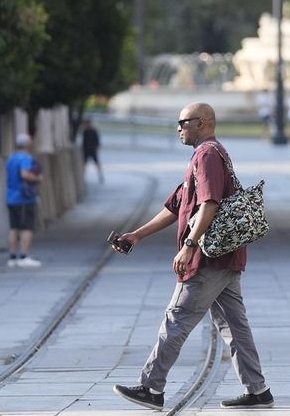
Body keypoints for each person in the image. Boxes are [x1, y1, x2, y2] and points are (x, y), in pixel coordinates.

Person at [111, 102, 272, 411]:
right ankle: (258, 391)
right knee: (235, 327)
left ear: (202, 123)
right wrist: (137, 235)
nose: (178, 128)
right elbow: (175, 207)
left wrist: (189, 245)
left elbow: (210, 204)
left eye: (183, 122)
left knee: (177, 319)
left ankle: (151, 388)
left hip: (208, 260)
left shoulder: (208, 155)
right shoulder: (203, 157)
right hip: (226, 259)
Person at [5, 133, 43, 268]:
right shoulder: (26, 159)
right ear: (27, 145)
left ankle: (12, 257)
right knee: (27, 227)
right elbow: (25, 174)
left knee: (13, 228)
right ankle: (24, 256)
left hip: (10, 197)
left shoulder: (11, 159)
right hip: (24, 198)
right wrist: (38, 179)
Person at [81, 119, 104, 184]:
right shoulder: (85, 131)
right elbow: (84, 142)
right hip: (86, 150)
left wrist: (96, 149)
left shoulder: (94, 131)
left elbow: (97, 141)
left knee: (97, 164)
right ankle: (83, 176)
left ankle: (100, 175)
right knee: (84, 164)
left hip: (92, 150)